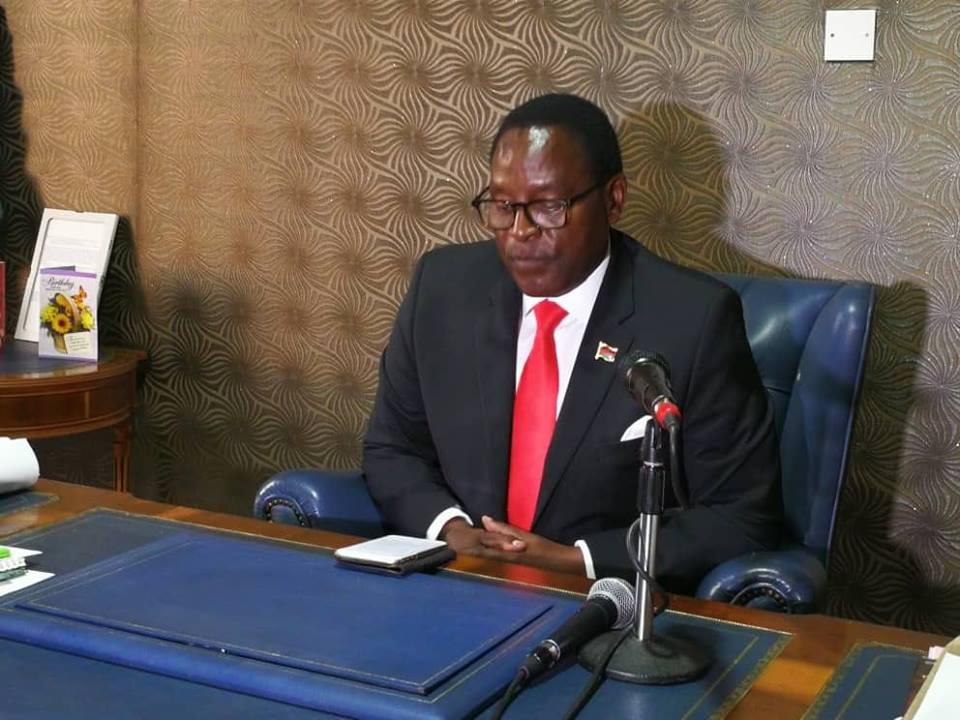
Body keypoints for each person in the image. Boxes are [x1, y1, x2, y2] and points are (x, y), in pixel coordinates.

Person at [363, 93, 782, 593]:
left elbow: (741, 515)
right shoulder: (443, 288)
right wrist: (453, 531)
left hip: (603, 605)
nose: (520, 232)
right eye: (503, 206)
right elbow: (392, 448)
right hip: (453, 585)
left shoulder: (693, 319)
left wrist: (574, 560)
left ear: (614, 199)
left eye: (548, 207)